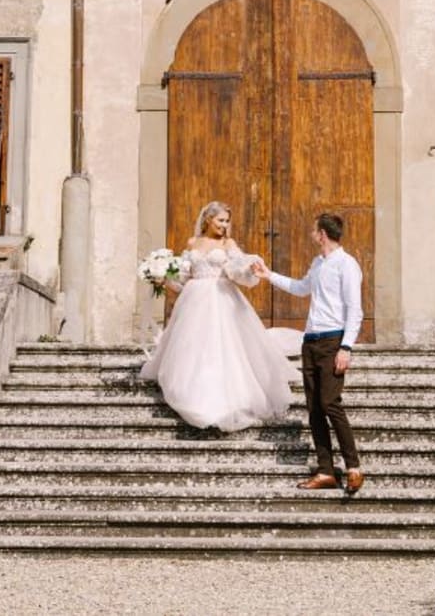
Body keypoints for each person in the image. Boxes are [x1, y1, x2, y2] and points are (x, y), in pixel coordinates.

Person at [138, 201, 295, 432]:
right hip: (193, 299)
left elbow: (238, 268)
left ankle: (223, 400)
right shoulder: (193, 243)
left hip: (222, 299)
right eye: (221, 220)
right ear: (208, 220)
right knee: (193, 348)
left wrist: (248, 268)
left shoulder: (228, 243)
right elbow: (183, 279)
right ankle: (192, 393)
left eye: (227, 221)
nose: (224, 225)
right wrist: (161, 276)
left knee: (220, 347)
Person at [252, 212, 364, 494]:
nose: (312, 234)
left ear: (322, 234)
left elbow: (355, 310)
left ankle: (353, 467)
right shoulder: (318, 263)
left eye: (315, 231)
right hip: (311, 341)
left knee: (330, 403)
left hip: (332, 341)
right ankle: (326, 471)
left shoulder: (347, 265)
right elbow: (301, 288)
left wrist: (346, 347)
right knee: (314, 409)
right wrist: (269, 276)